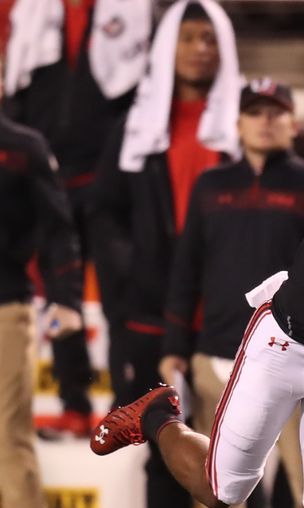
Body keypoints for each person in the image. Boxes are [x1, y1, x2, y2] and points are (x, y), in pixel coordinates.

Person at [89, 2, 241, 508]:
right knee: (163, 448)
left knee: (240, 457)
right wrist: (136, 271)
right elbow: (102, 211)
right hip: (152, 315)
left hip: (228, 317)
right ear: (166, 47)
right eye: (190, 38)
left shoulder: (245, 126)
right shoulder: (135, 123)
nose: (202, 50)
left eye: (210, 39)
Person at [159, 77, 304, 508]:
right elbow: (186, 269)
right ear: (238, 123)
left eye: (275, 112)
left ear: (293, 123)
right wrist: (174, 344)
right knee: (219, 495)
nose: (265, 121)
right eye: (254, 112)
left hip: (293, 359)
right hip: (218, 358)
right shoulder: (211, 185)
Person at [4, 0, 151, 437]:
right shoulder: (28, 12)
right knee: (60, 296)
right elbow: (17, 92)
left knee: (119, 296)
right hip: (49, 181)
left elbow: (143, 98)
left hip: (107, 184)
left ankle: (127, 405)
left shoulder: (136, 13)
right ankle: (73, 404)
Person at [0, 75, 83, 508]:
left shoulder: (23, 146)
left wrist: (67, 299)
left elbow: (57, 228)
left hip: (5, 308)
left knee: (6, 438)